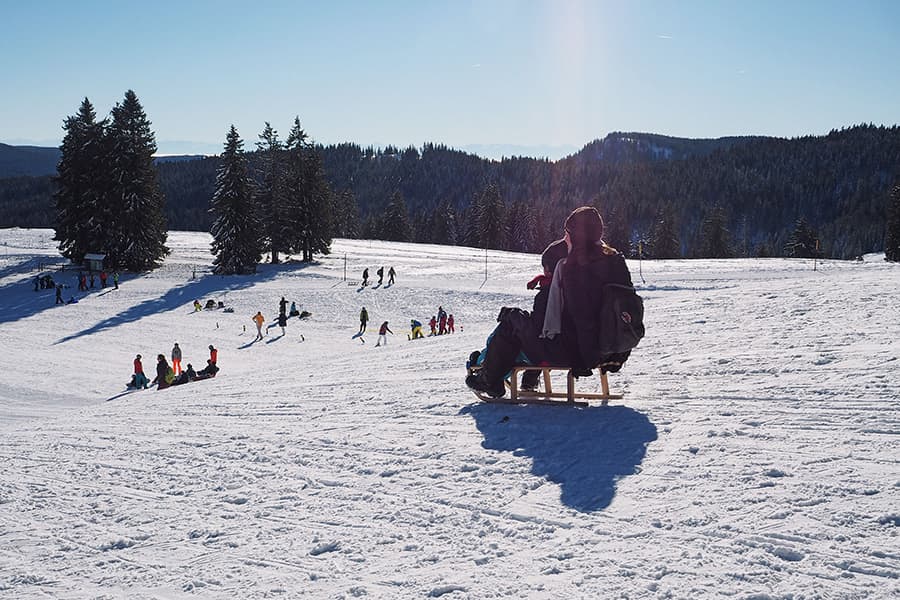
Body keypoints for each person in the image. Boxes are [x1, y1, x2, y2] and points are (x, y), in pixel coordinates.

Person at [466, 206, 634, 398]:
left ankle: (489, 380)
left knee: (511, 324)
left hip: (573, 353)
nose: (566, 239)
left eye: (568, 233)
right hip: (613, 351)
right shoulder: (616, 262)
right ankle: (518, 378)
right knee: (522, 327)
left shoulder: (572, 269)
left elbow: (570, 321)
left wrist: (516, 317)